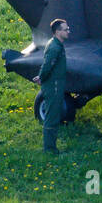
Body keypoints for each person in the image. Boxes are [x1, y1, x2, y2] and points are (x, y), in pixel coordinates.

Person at [32, 18, 69, 153]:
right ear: (58, 32)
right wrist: (41, 77)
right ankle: (49, 149)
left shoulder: (56, 44)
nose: (68, 32)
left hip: (55, 84)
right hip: (53, 86)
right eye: (66, 29)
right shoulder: (54, 47)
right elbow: (48, 65)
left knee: (53, 115)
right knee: (52, 117)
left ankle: (51, 147)